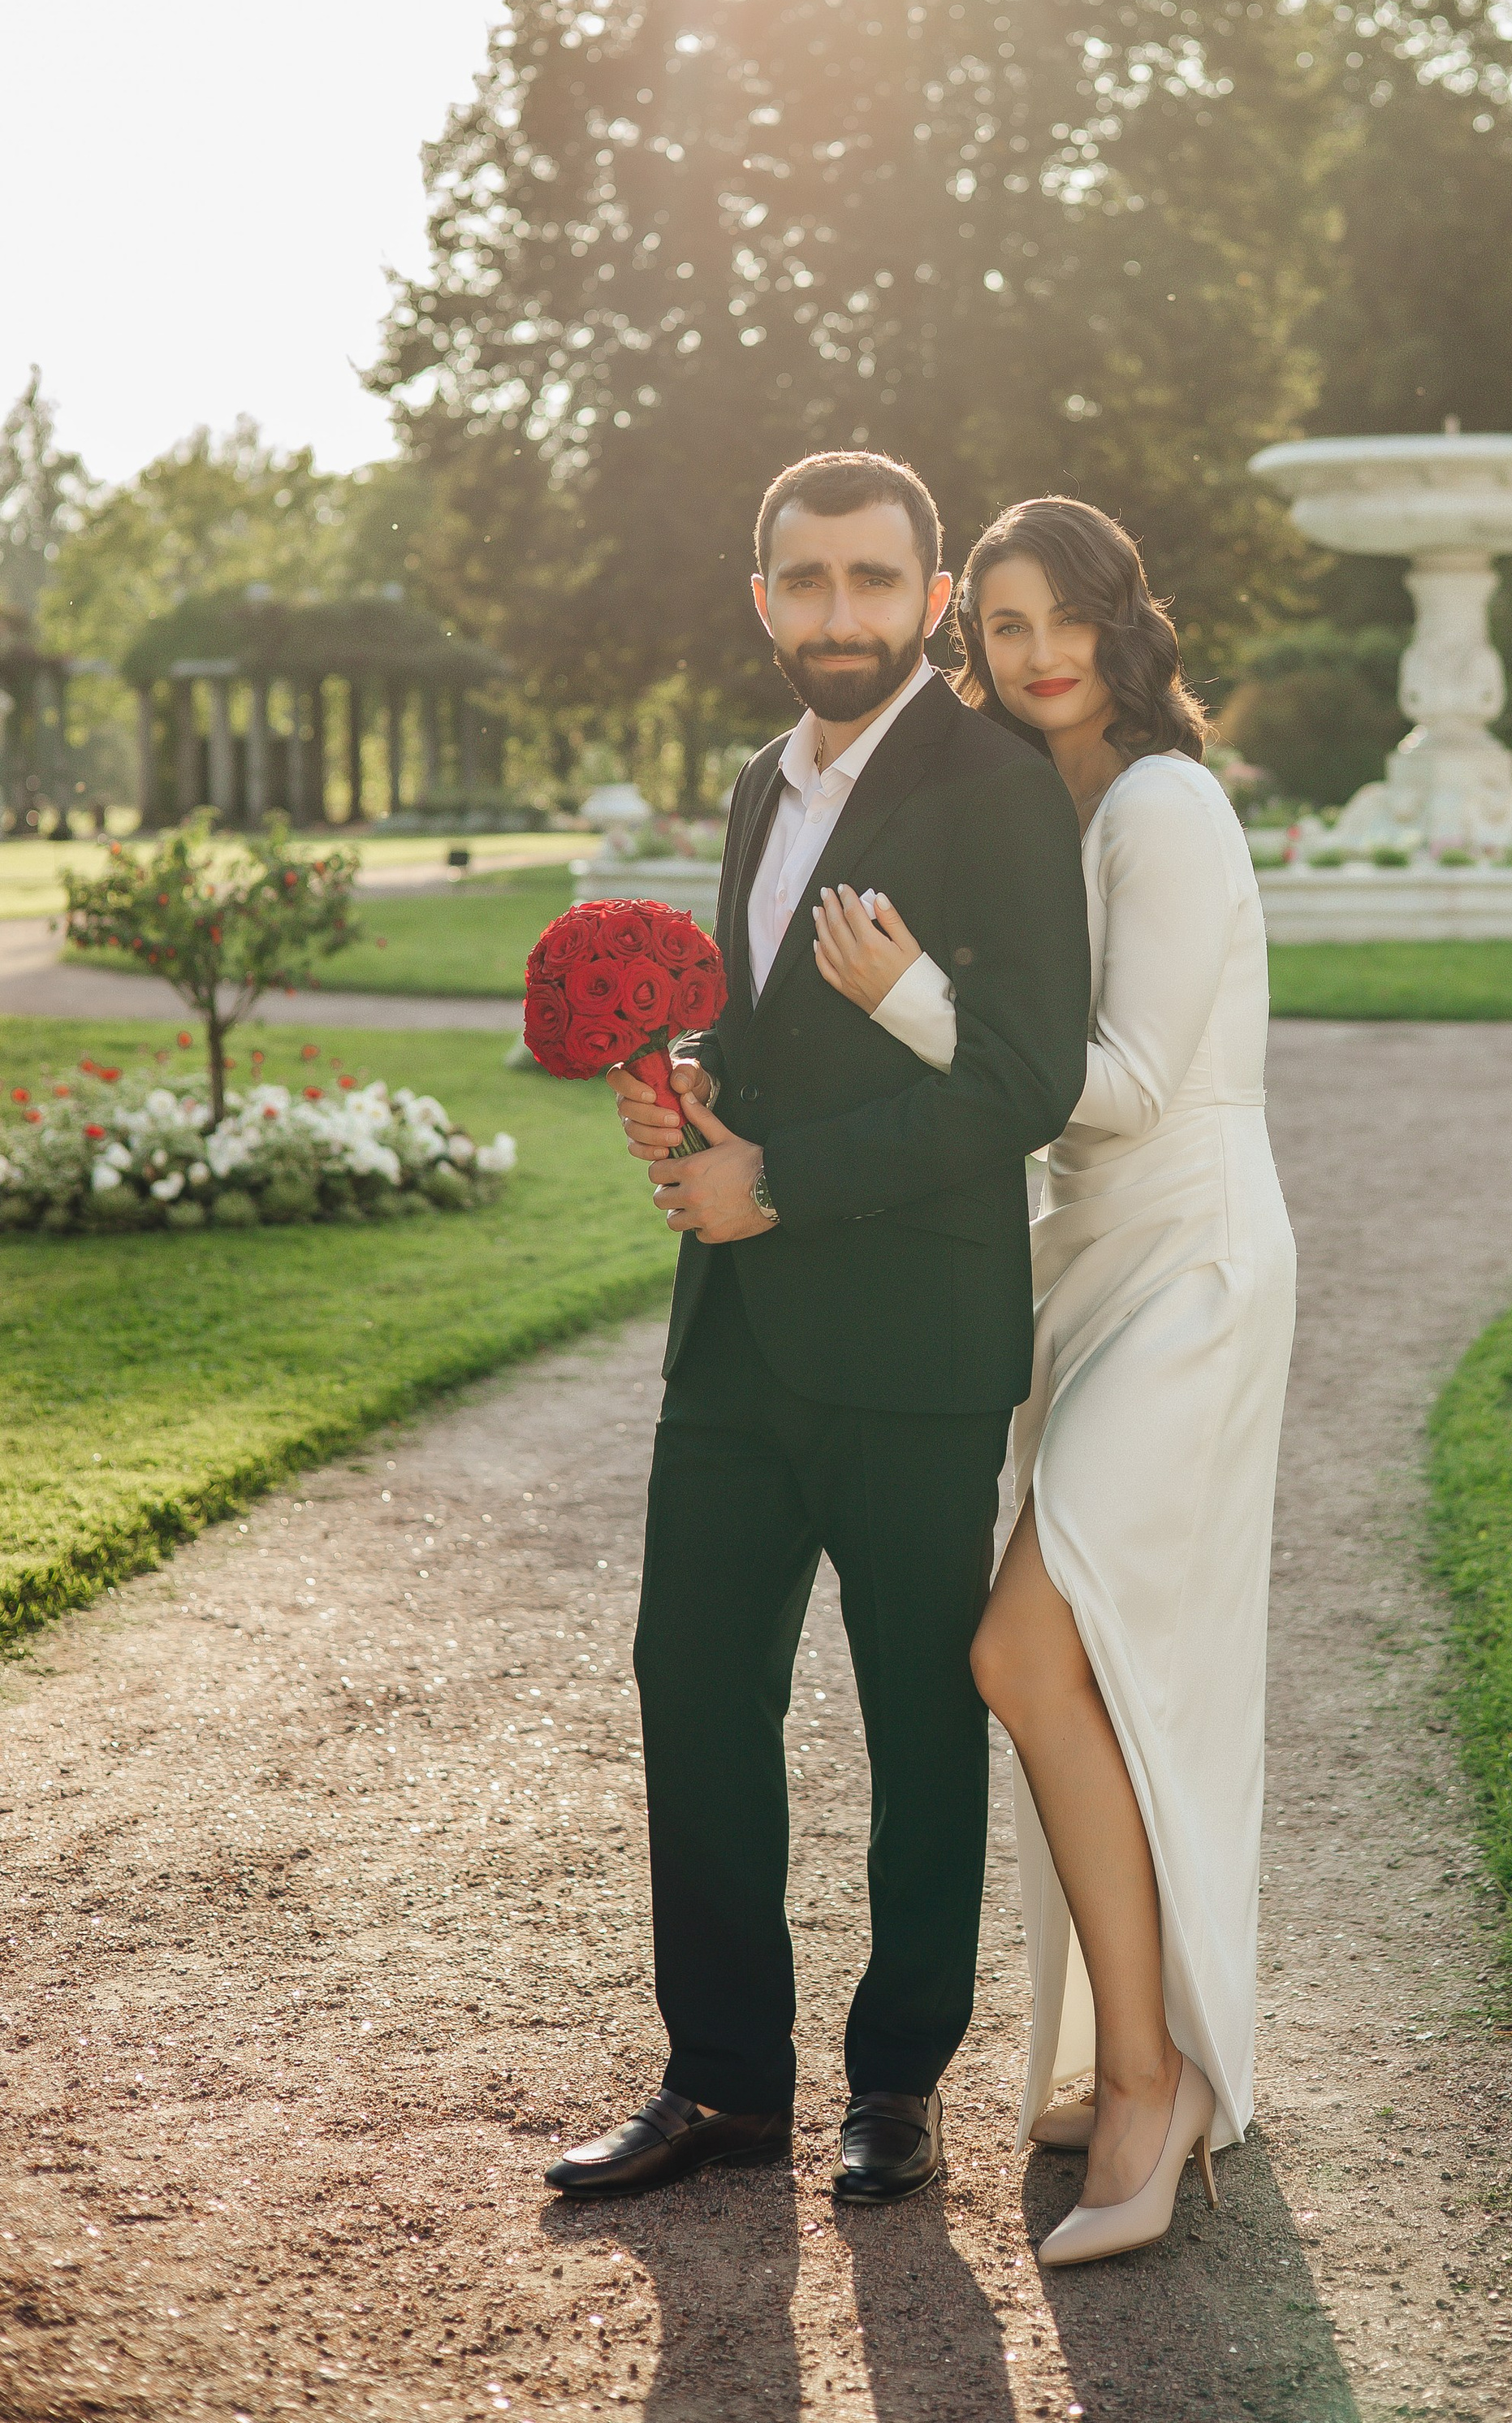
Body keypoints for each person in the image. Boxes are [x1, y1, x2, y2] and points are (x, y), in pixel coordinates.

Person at [546, 452, 1090, 2209]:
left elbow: (1025, 1077)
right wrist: (700, 1089)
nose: (838, 613)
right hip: (732, 1342)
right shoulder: (749, 786)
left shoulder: (997, 788)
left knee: (918, 1716)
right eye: (806, 580)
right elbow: (781, 1038)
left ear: (930, 600)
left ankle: (897, 2082)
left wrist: (775, 1181)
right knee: (692, 1687)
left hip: (914, 1344)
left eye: (871, 581)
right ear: (762, 597)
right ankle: (720, 2081)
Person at [809, 498, 1295, 2268]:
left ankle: (1152, 2082)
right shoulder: (1044, 809)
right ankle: (1142, 2054)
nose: (1034, 655)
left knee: (1024, 1650)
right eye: (1001, 627)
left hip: (1191, 1265)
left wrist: (917, 1001)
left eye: (1061, 617)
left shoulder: (1161, 805)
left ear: (1117, 621)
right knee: (1092, 1664)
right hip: (1085, 1261)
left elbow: (1131, 1083)